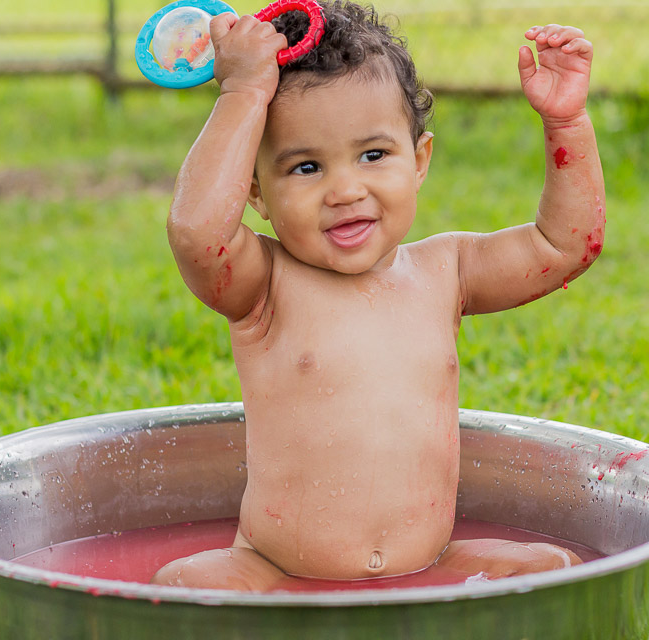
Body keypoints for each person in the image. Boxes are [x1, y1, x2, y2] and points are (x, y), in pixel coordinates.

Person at [154, 1, 604, 591]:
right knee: (187, 582)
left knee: (554, 571)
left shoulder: (448, 271)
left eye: (373, 155)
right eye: (306, 167)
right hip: (274, 573)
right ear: (256, 195)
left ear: (418, 161)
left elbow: (564, 246)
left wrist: (567, 123)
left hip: (427, 568)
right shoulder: (264, 285)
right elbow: (196, 234)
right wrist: (242, 93)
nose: (345, 189)